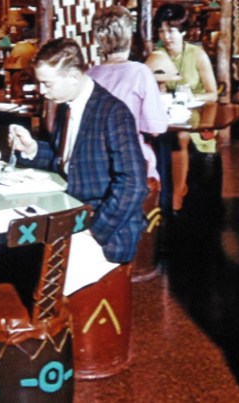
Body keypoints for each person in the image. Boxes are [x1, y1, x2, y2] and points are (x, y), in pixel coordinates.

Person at [9, 39, 148, 269]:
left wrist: (95, 231)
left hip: (107, 228)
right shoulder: (67, 106)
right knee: (16, 251)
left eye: (47, 84)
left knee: (37, 268)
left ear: (73, 77)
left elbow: (133, 184)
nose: (42, 92)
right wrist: (32, 149)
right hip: (72, 213)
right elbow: (66, 162)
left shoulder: (114, 112)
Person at [88, 6, 169, 182]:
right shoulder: (140, 72)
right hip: (129, 161)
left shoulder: (89, 74)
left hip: (93, 161)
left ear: (97, 39)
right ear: (129, 36)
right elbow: (156, 128)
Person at [153, 3, 218, 212]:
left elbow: (213, 93)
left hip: (198, 117)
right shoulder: (158, 54)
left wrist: (189, 97)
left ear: (182, 31)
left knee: (180, 137)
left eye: (171, 30)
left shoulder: (196, 54)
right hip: (170, 116)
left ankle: (177, 194)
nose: (166, 36)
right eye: (162, 31)